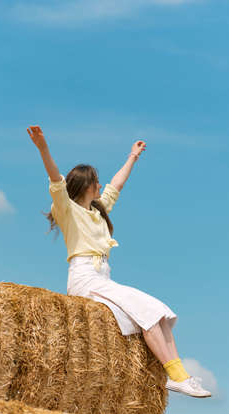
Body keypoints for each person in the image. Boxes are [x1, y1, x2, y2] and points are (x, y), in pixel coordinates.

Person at [27, 124, 211, 398]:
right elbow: (56, 180)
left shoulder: (98, 211)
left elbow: (117, 185)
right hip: (84, 276)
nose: (101, 185)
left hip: (102, 278)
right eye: (96, 181)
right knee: (147, 310)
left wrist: (132, 157)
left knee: (159, 313)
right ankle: (176, 376)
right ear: (86, 185)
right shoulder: (67, 210)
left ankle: (179, 375)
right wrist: (43, 147)